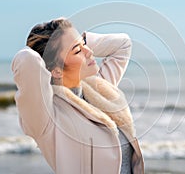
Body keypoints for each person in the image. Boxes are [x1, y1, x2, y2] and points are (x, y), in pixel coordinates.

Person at [11, 17, 144, 174]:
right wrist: (47, 52)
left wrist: (76, 39)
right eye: (78, 50)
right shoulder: (47, 117)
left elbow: (123, 44)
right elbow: (27, 60)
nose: (90, 51)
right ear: (56, 70)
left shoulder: (98, 91)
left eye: (84, 45)